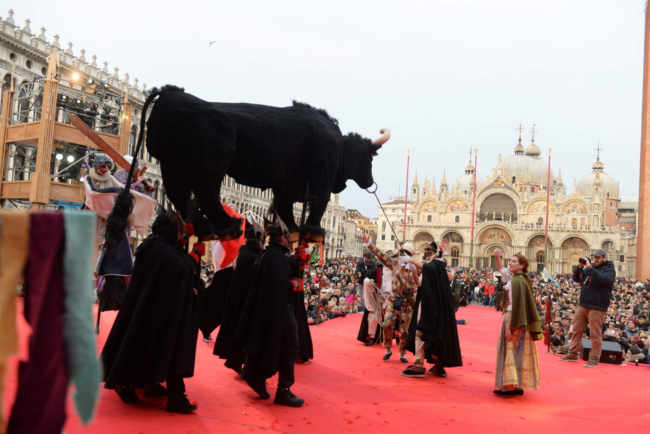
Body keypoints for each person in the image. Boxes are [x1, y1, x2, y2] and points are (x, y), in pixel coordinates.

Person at [101, 212, 200, 413]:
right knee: (151, 345)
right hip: (158, 311)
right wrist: (195, 256)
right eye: (178, 230)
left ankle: (143, 382)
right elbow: (182, 270)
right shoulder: (163, 252)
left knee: (142, 345)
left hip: (151, 309)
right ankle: (133, 385)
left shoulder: (153, 245)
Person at [236, 222, 304, 407]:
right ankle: (283, 390)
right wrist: (294, 285)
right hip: (278, 311)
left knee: (270, 346)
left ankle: (257, 377)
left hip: (269, 311)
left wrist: (298, 262)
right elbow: (279, 285)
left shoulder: (271, 255)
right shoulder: (276, 258)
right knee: (290, 346)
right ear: (281, 238)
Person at [403, 241, 463, 378]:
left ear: (436, 252)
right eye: (426, 249)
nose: (427, 252)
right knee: (420, 332)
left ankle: (435, 364)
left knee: (433, 335)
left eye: (430, 250)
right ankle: (419, 363)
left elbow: (432, 269)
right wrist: (413, 270)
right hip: (426, 305)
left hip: (435, 309)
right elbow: (421, 283)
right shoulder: (431, 266)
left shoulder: (438, 265)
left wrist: (411, 260)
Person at [213, 220, 265, 373]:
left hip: (238, 300)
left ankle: (236, 360)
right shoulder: (255, 256)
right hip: (246, 302)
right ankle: (238, 361)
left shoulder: (243, 252)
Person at [362, 234, 420, 364]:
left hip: (407, 302)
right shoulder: (394, 263)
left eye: (406, 253)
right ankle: (388, 349)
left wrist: (412, 265)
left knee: (404, 329)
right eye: (402, 253)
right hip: (393, 299)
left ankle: (402, 353)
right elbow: (380, 255)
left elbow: (419, 282)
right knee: (387, 324)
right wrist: (370, 244)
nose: (403, 255)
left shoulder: (414, 267)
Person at [494, 254, 541, 396]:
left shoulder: (517, 282)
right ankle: (516, 383)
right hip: (519, 320)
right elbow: (501, 269)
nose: (510, 263)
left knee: (510, 350)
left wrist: (510, 326)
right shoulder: (520, 279)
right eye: (510, 260)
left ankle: (509, 386)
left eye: (514, 261)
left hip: (514, 319)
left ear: (522, 265)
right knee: (517, 351)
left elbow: (516, 306)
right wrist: (497, 256)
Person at [560, 249, 616, 367]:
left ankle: (594, 359)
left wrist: (591, 268)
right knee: (576, 330)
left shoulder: (609, 269)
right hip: (584, 304)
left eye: (598, 258)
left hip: (597, 306)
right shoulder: (590, 268)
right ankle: (573, 353)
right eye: (594, 257)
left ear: (604, 258)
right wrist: (579, 267)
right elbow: (577, 279)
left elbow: (604, 280)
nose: (595, 259)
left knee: (594, 334)